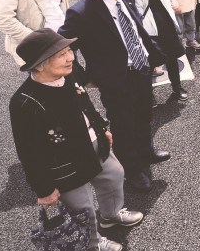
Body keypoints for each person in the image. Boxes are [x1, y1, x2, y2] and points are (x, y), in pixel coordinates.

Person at [10, 28, 144, 251]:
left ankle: (111, 215)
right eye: (61, 54)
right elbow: (28, 151)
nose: (71, 57)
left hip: (94, 143)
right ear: (40, 64)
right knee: (83, 208)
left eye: (69, 50)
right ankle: (92, 243)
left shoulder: (68, 75)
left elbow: (86, 105)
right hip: (65, 162)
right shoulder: (24, 102)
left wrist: (102, 129)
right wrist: (44, 189)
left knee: (115, 175)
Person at [58, 0, 168, 193]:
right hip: (115, 80)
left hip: (140, 69)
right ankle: (132, 170)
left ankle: (146, 151)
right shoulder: (81, 12)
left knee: (144, 114)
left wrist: (152, 57)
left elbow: (136, 31)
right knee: (123, 124)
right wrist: (84, 77)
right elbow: (63, 48)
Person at [125, 0, 188, 101]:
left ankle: (177, 87)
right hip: (146, 26)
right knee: (149, 61)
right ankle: (149, 94)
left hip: (164, 23)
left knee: (173, 57)